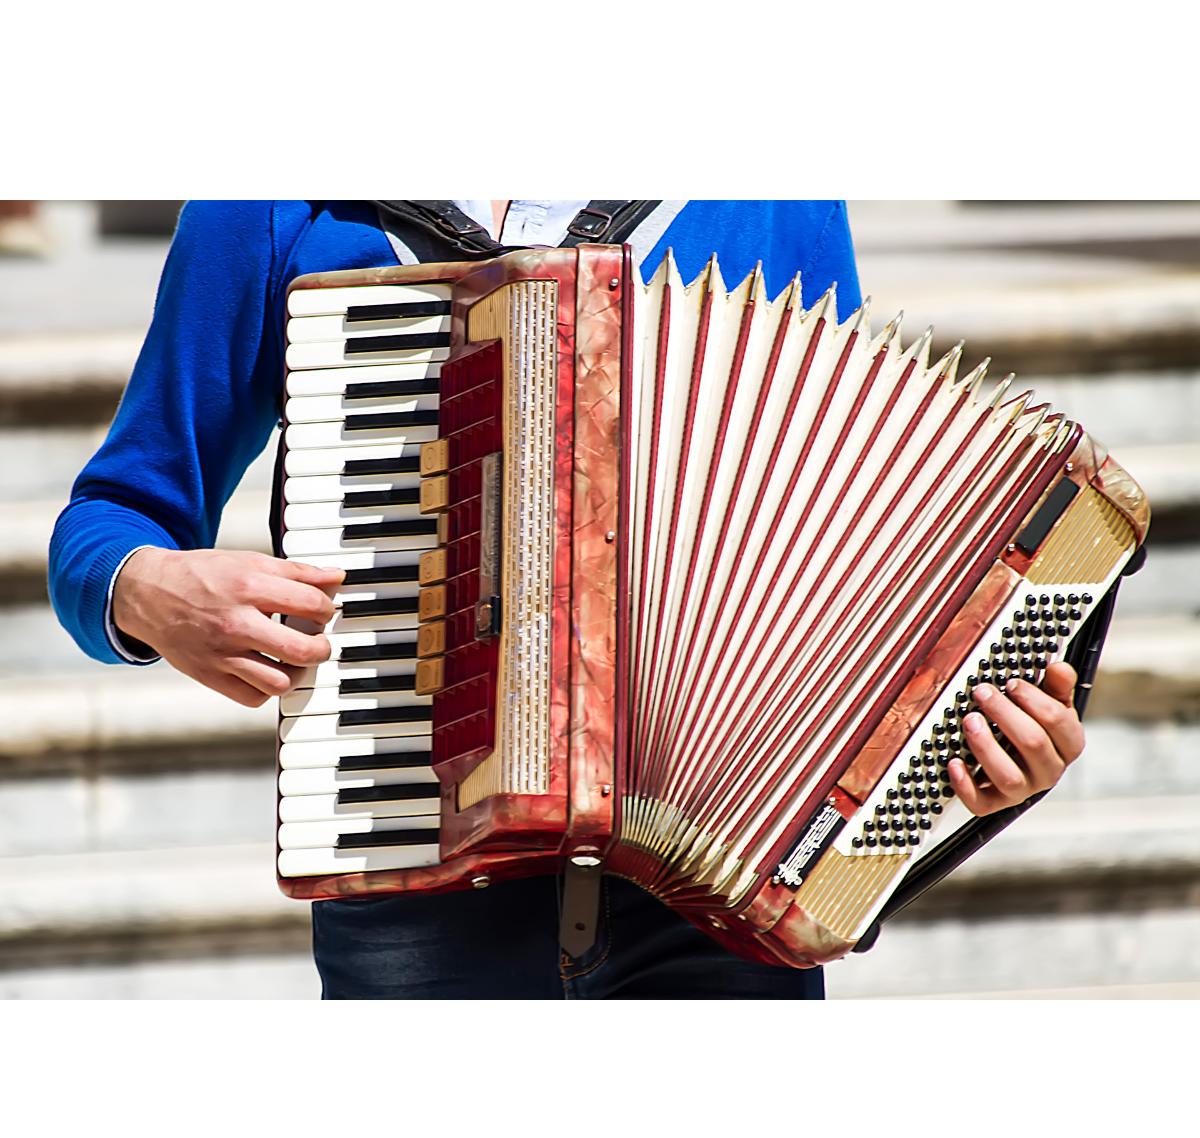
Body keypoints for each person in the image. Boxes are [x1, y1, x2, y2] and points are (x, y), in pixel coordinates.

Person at [48, 201, 1086, 999]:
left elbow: (866, 567)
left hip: (714, 920)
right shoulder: (286, 197)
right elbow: (105, 521)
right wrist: (147, 590)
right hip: (425, 901)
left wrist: (968, 756)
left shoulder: (761, 185)